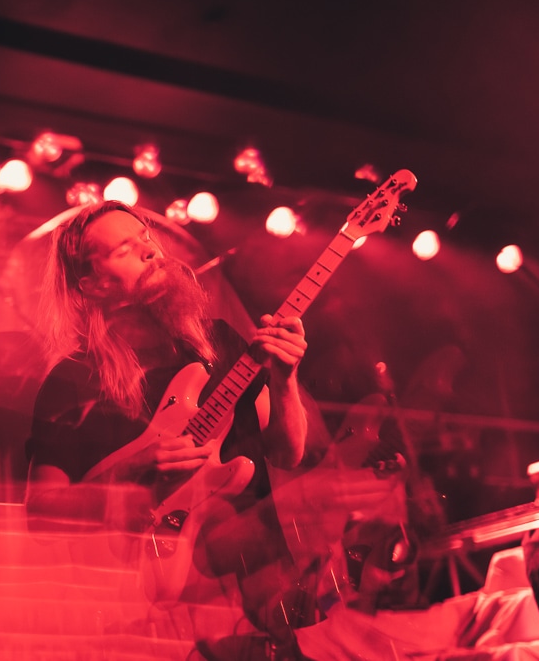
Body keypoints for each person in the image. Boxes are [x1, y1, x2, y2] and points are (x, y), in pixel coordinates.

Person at [24, 200, 322, 659]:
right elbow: (41, 512)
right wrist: (129, 473)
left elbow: (287, 452)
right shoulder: (73, 379)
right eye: (126, 248)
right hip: (154, 615)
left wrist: (286, 378)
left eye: (146, 238)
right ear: (92, 283)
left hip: (261, 585)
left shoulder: (219, 342)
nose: (150, 251)